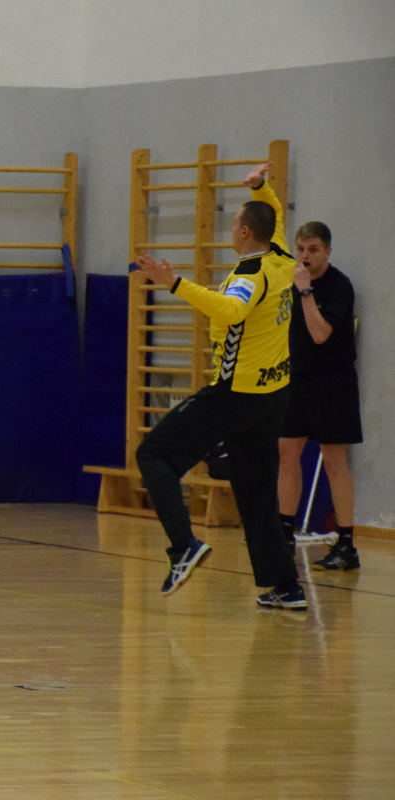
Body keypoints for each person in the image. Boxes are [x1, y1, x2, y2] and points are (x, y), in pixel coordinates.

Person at [135, 162, 305, 610]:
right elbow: (275, 215)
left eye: (233, 225)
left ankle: (184, 546)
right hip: (274, 394)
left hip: (237, 392)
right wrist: (261, 186)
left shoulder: (250, 276)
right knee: (256, 492)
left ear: (245, 232)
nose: (231, 231)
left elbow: (230, 311)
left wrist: (174, 283)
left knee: (153, 454)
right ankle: (285, 586)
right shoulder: (281, 256)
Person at [277, 221, 362, 570]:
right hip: (298, 380)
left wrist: (306, 292)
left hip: (334, 382)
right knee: (287, 452)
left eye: (312, 250)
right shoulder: (291, 283)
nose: (305, 256)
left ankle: (346, 545)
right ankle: (283, 535)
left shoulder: (339, 286)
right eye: (300, 249)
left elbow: (320, 333)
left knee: (333, 460)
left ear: (327, 251)